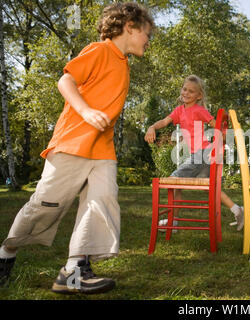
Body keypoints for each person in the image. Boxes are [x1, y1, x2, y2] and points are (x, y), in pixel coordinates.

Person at [0, 2, 154, 294]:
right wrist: (85, 111)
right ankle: (6, 252)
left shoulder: (123, 64)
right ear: (130, 27)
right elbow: (66, 80)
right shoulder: (99, 50)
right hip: (73, 143)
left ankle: (73, 272)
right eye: (147, 33)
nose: (149, 40)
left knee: (101, 202)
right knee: (45, 205)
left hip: (102, 150)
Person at [144, 75, 244, 231]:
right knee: (210, 188)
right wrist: (152, 127)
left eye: (191, 91)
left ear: (199, 96)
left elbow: (215, 124)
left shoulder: (199, 110)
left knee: (173, 179)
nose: (186, 93)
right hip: (201, 156)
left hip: (203, 153)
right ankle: (237, 210)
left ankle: (173, 221)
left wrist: (225, 134)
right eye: (184, 89)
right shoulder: (179, 111)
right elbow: (164, 121)